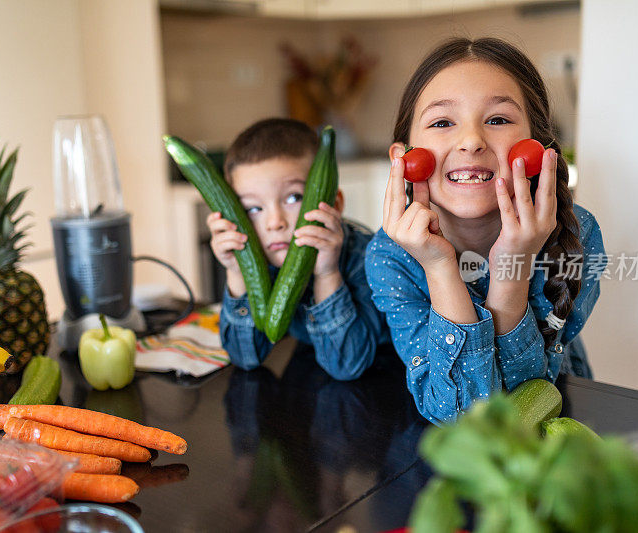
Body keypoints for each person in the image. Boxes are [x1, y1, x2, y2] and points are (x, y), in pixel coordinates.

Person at [365, 37, 607, 423]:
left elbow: (525, 408)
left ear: (537, 146)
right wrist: (439, 266)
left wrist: (513, 268)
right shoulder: (389, 256)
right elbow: (463, 417)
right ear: (402, 157)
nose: (472, 141)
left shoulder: (578, 235)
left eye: (497, 119)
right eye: (443, 122)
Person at [209, 118, 387, 380]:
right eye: (253, 208)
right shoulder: (267, 254)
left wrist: (327, 274)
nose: (275, 223)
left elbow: (347, 365)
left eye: (293, 198)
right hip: (308, 379)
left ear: (335, 204)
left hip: (382, 383)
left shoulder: (368, 258)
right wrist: (238, 272)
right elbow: (245, 358)